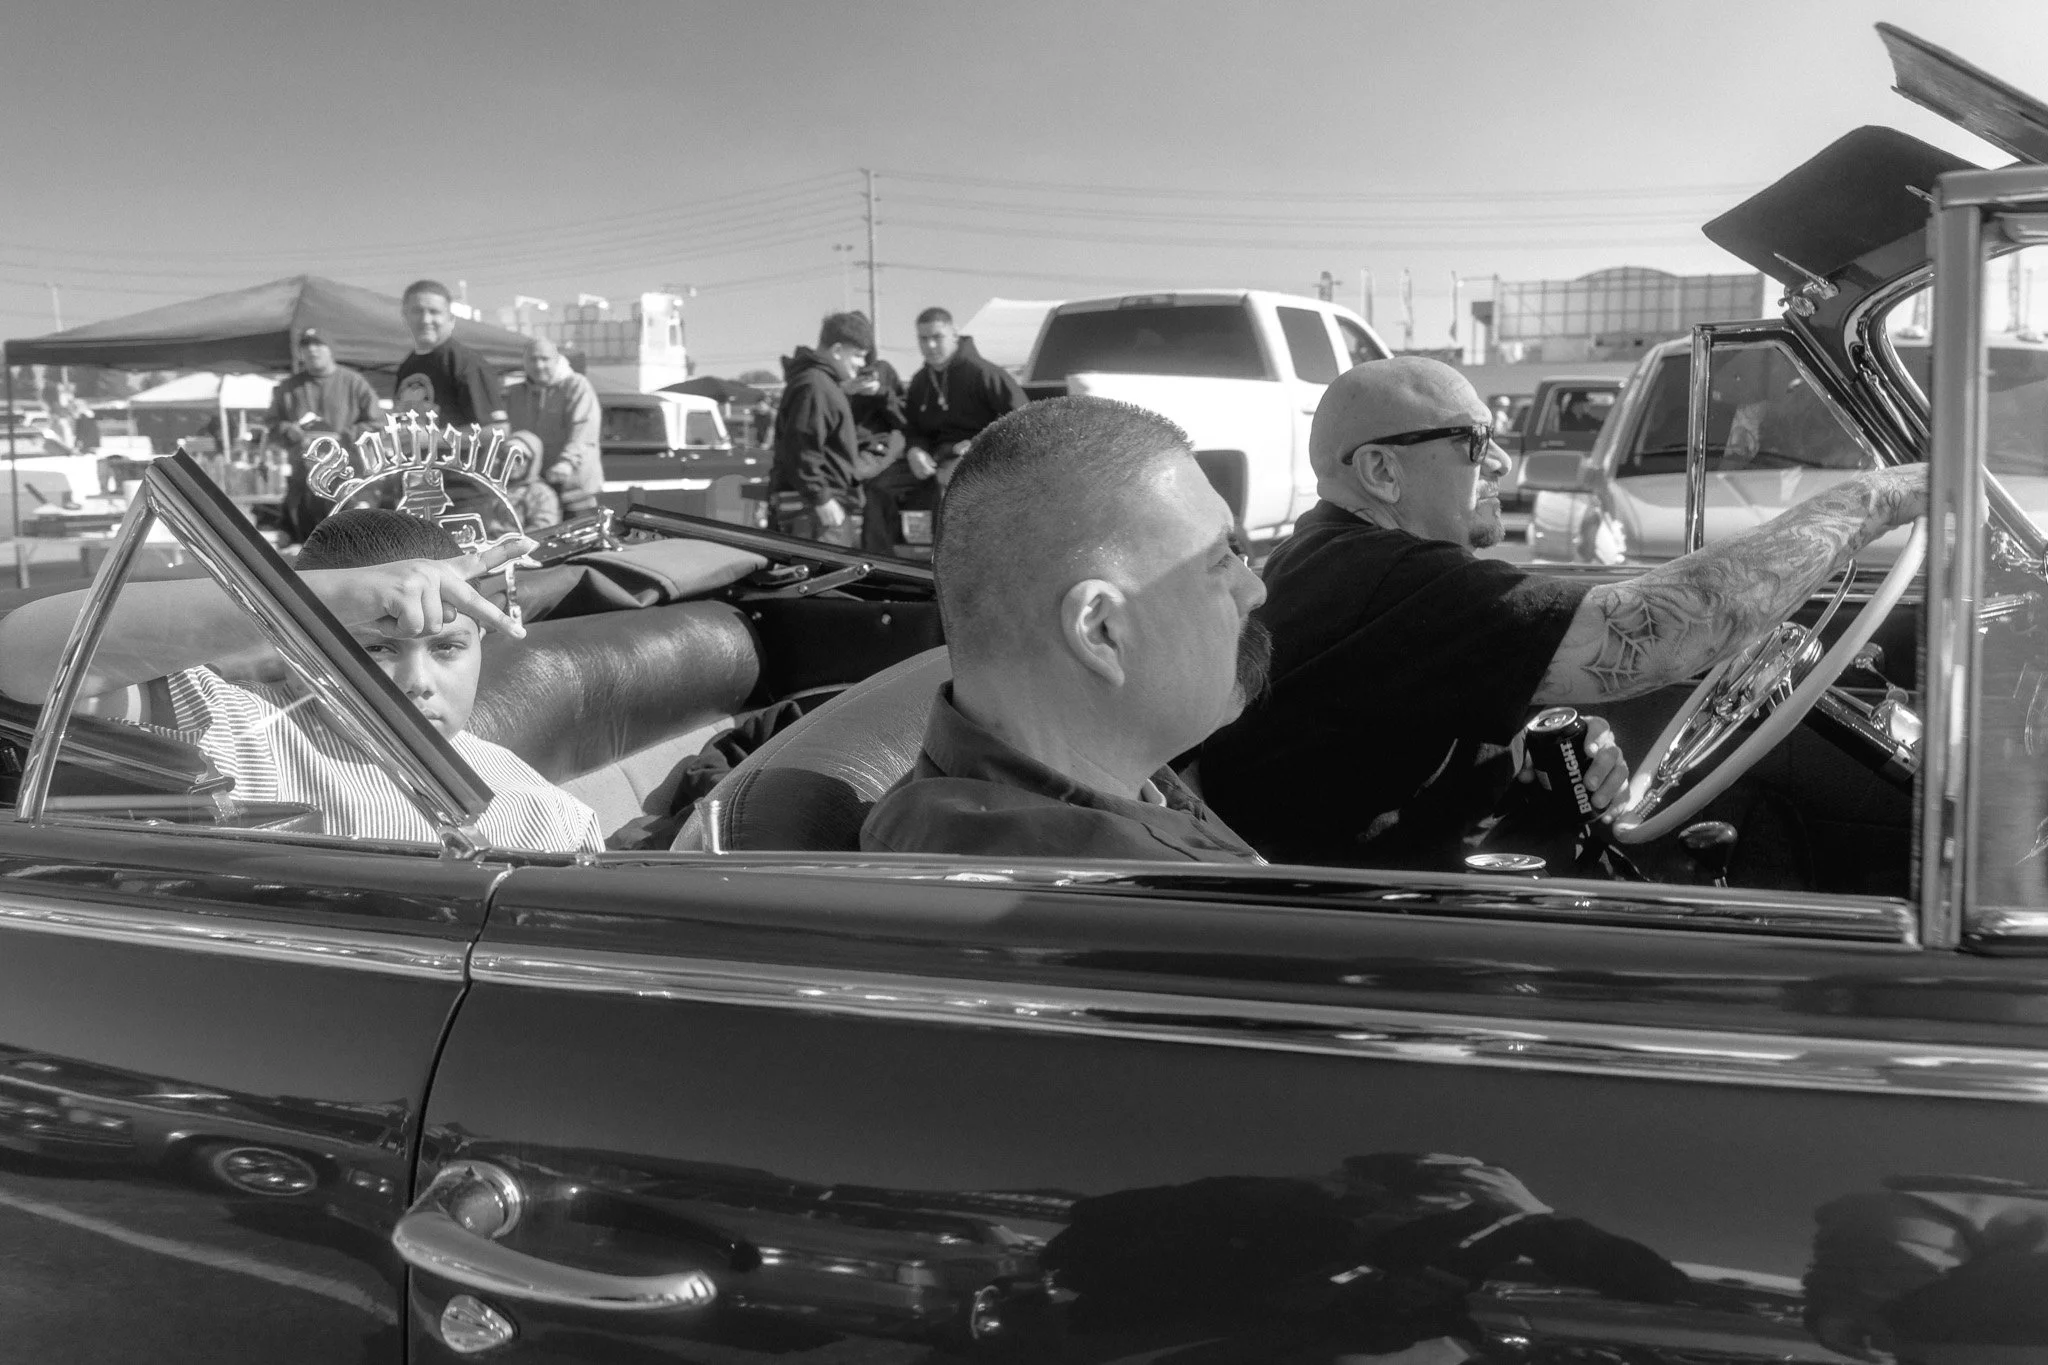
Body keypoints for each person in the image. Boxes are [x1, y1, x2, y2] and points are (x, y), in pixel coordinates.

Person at [1201, 355, 1927, 869]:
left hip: (1435, 893)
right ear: (1382, 471)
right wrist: (1876, 499)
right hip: (1388, 942)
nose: (1501, 465)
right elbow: (1679, 628)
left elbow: (1399, 735)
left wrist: (1539, 759)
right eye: (1473, 441)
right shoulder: (1373, 579)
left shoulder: (1343, 563)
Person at [0, 509, 604, 853]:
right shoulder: (231, 725)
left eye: (447, 648)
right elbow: (27, 661)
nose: (415, 681)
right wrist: (323, 599)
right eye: (373, 647)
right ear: (297, 642)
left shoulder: (547, 815)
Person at [861, 396, 1266, 862]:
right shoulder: (1118, 909)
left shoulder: (1121, 781)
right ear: (1101, 631)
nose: (1255, 589)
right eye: (1219, 560)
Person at [863, 306, 1028, 553]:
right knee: (878, 486)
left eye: (936, 337)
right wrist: (915, 451)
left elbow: (1022, 419)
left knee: (946, 486)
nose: (930, 345)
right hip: (935, 458)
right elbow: (913, 429)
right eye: (923, 338)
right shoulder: (920, 381)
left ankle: (944, 572)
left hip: (978, 459)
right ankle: (879, 565)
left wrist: (979, 443)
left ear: (954, 333)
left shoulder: (984, 373)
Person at [264, 328, 383, 544]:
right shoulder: (289, 388)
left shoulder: (354, 383)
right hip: (303, 485)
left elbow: (378, 423)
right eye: (306, 345)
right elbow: (271, 427)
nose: (312, 350)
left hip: (346, 482)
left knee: (349, 546)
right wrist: (288, 431)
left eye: (318, 344)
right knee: (306, 550)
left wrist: (342, 436)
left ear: (331, 350)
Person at [768, 312, 871, 546]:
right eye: (857, 356)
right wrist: (821, 497)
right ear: (836, 351)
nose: (862, 364)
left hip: (816, 505)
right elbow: (801, 447)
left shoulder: (820, 384)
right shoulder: (815, 386)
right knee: (823, 579)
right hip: (815, 510)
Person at [395, 279, 508, 432]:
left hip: (456, 457)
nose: (425, 320)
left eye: (434, 312)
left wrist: (430, 440)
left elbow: (496, 430)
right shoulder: (407, 366)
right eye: (417, 311)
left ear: (451, 319)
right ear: (404, 316)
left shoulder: (467, 363)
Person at [508, 336, 603, 519]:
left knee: (578, 541)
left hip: (572, 487)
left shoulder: (576, 386)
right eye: (533, 359)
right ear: (524, 363)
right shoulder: (516, 393)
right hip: (535, 489)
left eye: (545, 359)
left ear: (557, 360)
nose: (539, 365)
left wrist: (567, 463)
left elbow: (584, 431)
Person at [845, 352, 909, 556]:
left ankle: (877, 559)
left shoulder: (882, 370)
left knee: (866, 483)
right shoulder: (831, 375)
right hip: (842, 452)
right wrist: (842, 391)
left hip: (874, 450)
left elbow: (904, 418)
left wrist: (880, 392)